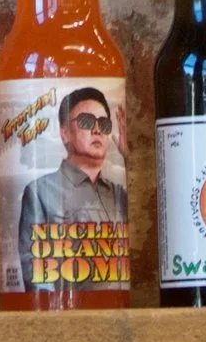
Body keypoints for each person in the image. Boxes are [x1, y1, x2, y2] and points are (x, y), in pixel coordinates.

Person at [14, 81, 125, 286]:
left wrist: (127, 155)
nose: (97, 130)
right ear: (65, 133)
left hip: (116, 314)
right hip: (62, 315)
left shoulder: (119, 194)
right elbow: (34, 274)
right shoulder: (40, 191)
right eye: (86, 121)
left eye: (105, 124)